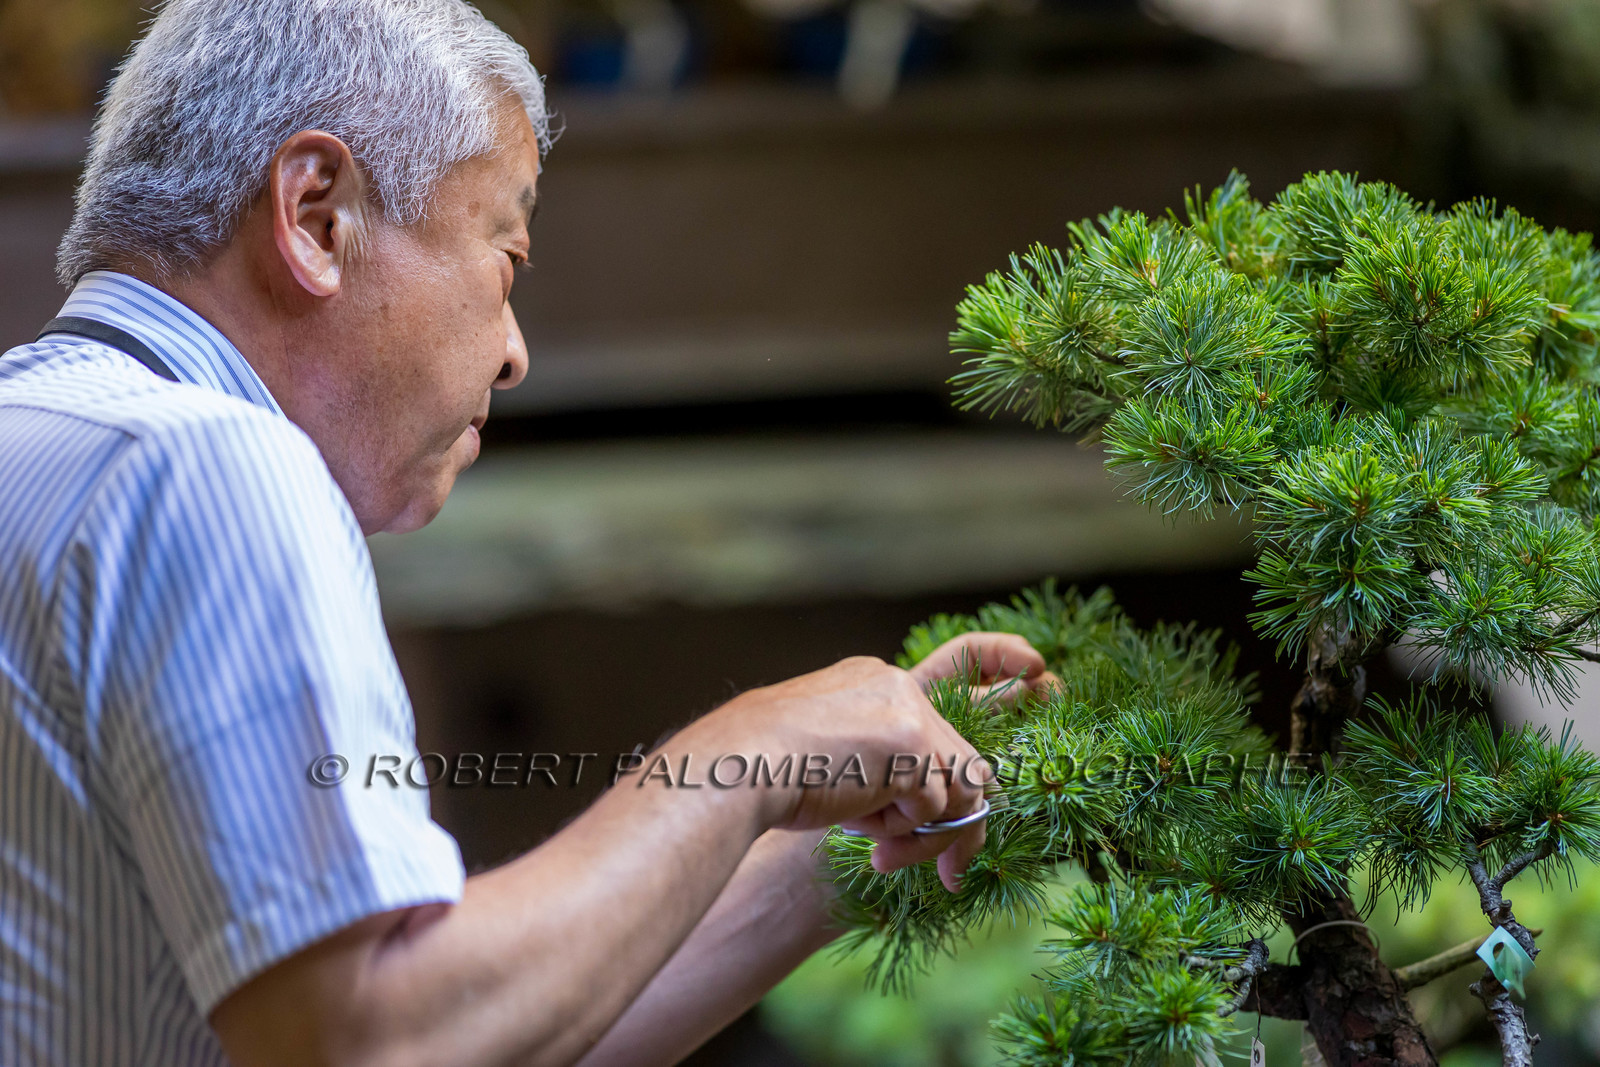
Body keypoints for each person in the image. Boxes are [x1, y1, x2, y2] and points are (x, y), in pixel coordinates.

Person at [0, 2, 1052, 1065]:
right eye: (504, 255)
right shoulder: (212, 464)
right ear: (317, 216)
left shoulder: (44, 438)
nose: (514, 353)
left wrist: (833, 844)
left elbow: (474, 1036)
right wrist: (758, 746)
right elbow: (376, 1037)